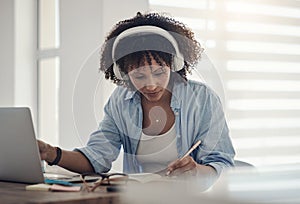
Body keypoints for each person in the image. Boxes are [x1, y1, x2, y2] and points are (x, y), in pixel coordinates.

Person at [38, 12, 235, 180]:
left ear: (174, 65)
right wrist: (51, 153)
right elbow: (96, 158)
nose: (150, 84)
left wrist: (196, 172)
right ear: (122, 73)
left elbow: (223, 165)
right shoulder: (121, 101)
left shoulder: (202, 99)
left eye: (159, 73)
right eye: (139, 75)